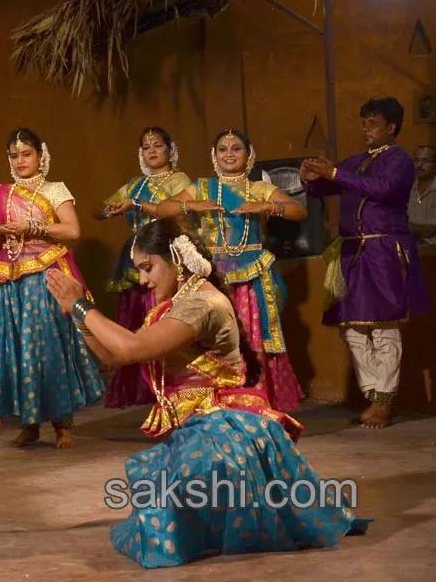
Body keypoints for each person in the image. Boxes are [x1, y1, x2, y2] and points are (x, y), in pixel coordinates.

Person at [46, 218, 371, 568]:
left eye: (147, 267)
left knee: (167, 518)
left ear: (176, 257)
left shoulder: (200, 303)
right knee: (168, 505)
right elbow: (113, 355)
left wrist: (82, 306)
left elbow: (130, 349)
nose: (143, 280)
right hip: (202, 426)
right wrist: (78, 315)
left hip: (225, 432)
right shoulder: (176, 303)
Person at [0, 128, 104, 449]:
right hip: (12, 278)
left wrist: (34, 227)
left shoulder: (55, 189)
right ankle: (29, 425)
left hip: (45, 275)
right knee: (17, 346)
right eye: (14, 156)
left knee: (49, 344)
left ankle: (63, 425)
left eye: (26, 154)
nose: (20, 160)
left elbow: (72, 229)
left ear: (41, 155)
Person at [302, 97, 431, 429]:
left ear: (390, 128)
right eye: (363, 123)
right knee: (354, 328)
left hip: (385, 253)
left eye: (372, 123)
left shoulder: (399, 161)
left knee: (384, 328)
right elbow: (327, 188)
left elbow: (384, 189)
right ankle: (374, 392)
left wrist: (334, 172)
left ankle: (385, 401)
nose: (365, 129)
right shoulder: (355, 160)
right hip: (354, 254)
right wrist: (311, 179)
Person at [157, 129, 307, 413]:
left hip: (251, 275)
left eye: (236, 148)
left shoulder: (258, 189)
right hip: (214, 276)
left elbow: (299, 211)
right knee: (214, 337)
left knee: (251, 335)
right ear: (214, 156)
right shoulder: (202, 187)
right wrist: (192, 205)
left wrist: (266, 206)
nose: (229, 154)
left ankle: (257, 400)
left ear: (248, 156)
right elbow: (163, 208)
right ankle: (218, 401)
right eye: (222, 149)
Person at [96, 126, 192, 408]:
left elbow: (170, 210)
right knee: (135, 317)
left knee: (163, 317)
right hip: (136, 255)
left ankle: (170, 386)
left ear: (170, 150)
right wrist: (109, 210)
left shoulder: (179, 180)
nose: (152, 151)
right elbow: (100, 208)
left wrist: (136, 204)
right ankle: (138, 387)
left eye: (157, 145)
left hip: (165, 252)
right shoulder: (134, 184)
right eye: (146, 147)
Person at [409, 145, 436, 245]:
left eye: (426, 161)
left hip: (431, 249)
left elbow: (429, 231)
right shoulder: (406, 186)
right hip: (408, 243)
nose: (419, 165)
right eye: (416, 160)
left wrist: (399, 225)